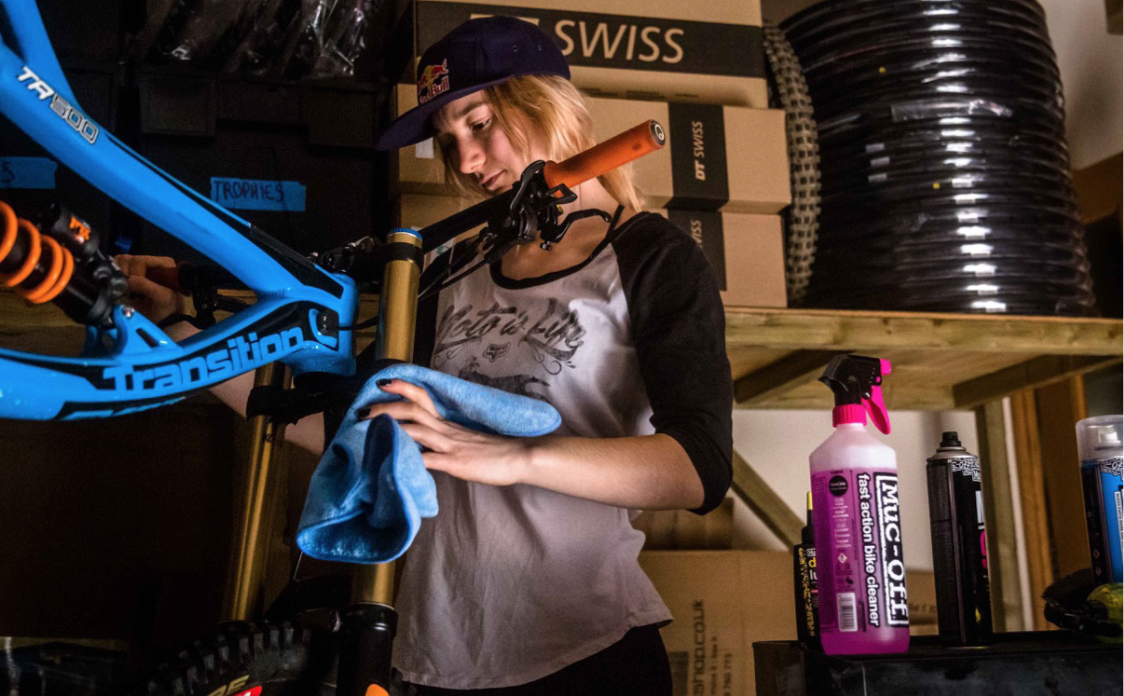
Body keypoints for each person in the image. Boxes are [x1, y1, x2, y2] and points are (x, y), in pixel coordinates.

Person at [118, 15, 733, 695]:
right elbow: (350, 430)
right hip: (435, 657)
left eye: (479, 123)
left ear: (548, 103)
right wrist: (176, 332)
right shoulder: (455, 270)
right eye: (448, 142)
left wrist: (514, 457)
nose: (466, 162)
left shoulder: (651, 256)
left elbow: (698, 467)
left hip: (585, 650)